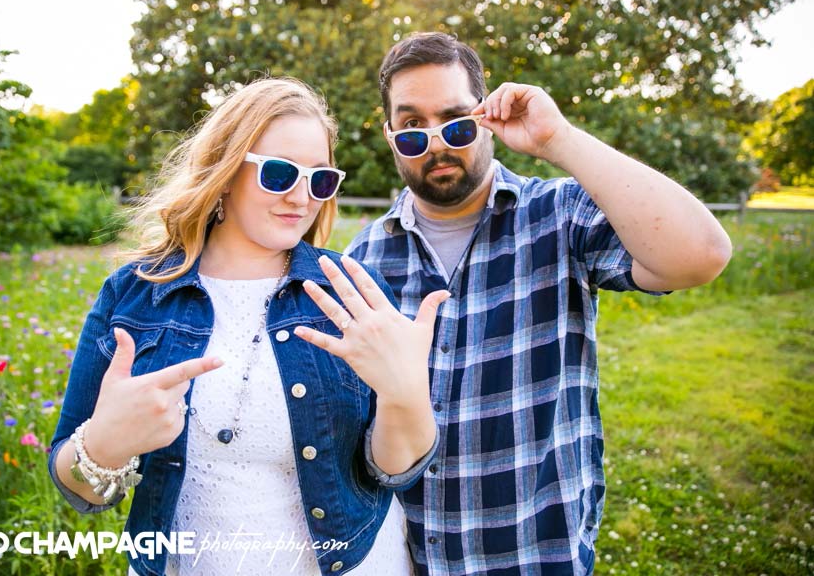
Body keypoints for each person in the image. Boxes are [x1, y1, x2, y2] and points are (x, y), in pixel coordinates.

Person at [346, 32, 733, 575]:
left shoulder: (558, 214)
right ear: (390, 136)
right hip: (409, 562)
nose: (435, 144)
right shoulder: (359, 260)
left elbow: (701, 255)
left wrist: (559, 140)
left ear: (486, 116)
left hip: (538, 556)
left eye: (456, 121)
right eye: (412, 128)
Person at [48, 77, 448, 576]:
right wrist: (106, 444)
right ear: (226, 170)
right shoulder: (134, 294)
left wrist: (404, 394)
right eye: (280, 174)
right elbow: (74, 483)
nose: (302, 198)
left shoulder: (350, 292)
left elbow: (394, 470)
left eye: (320, 179)